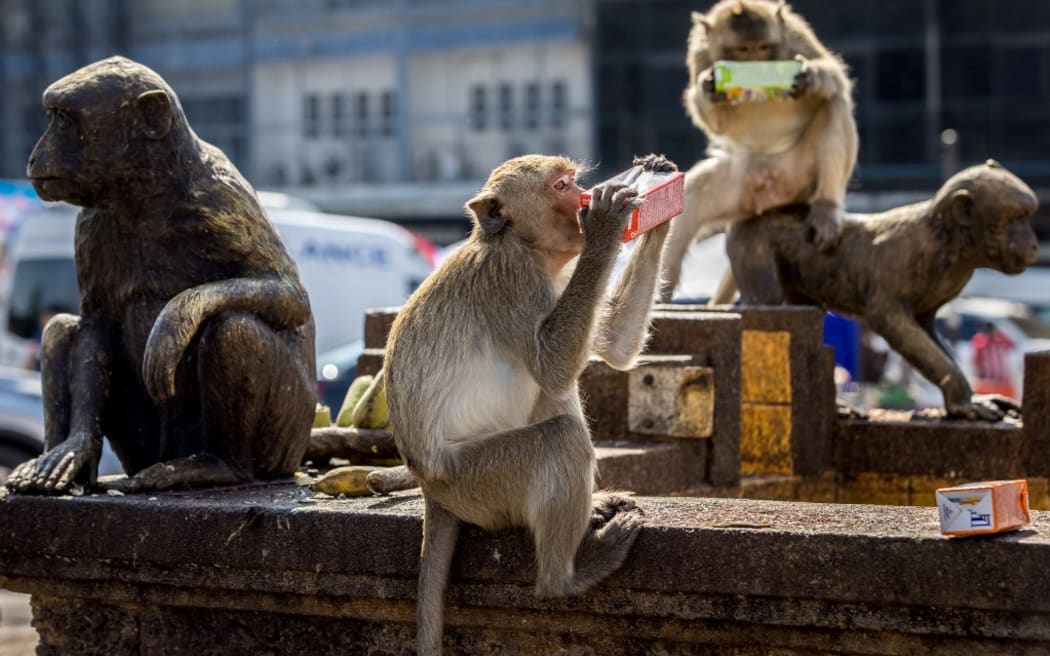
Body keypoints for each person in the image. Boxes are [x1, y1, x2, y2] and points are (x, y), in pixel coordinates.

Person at [971, 322, 1016, 398]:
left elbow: (1011, 344)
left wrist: (999, 333)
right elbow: (977, 360)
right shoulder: (982, 344)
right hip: (989, 381)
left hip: (1003, 381)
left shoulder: (1000, 342)